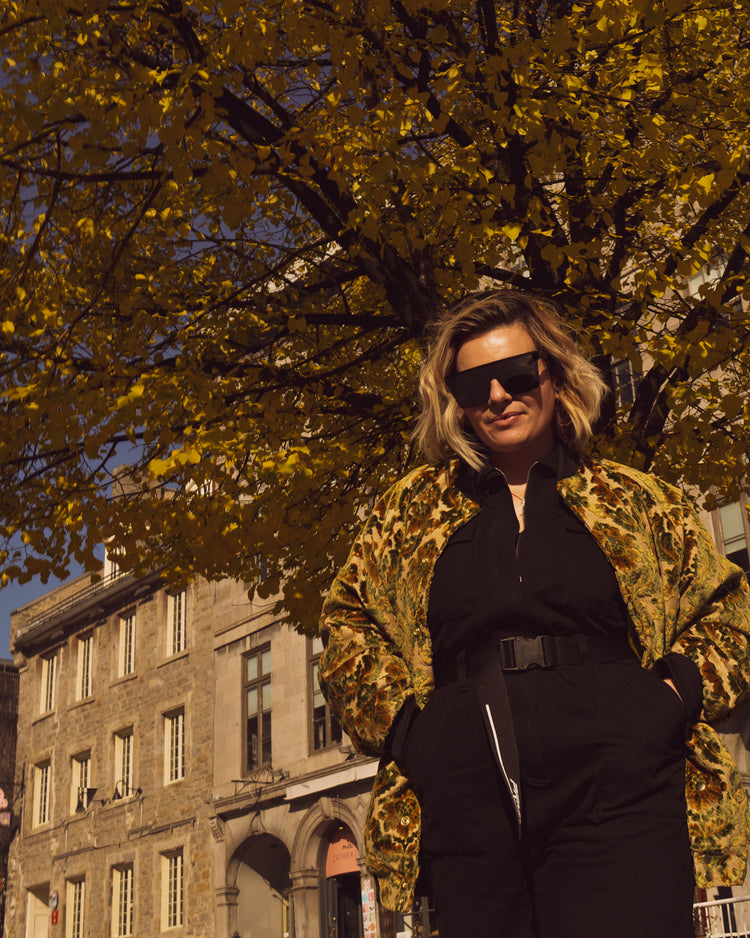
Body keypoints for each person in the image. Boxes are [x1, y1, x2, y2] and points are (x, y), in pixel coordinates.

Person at [317, 289, 750, 938]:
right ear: (452, 400)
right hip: (466, 794)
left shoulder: (636, 500)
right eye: (471, 384)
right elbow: (347, 629)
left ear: (555, 376)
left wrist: (669, 696)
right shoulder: (409, 512)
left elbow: (730, 613)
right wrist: (411, 728)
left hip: (621, 789)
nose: (496, 395)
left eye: (516, 374)